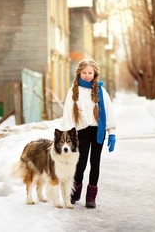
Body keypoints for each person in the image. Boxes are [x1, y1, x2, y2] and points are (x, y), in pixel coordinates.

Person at [61, 59, 116, 208]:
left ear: (95, 73)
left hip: (98, 131)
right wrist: (67, 136)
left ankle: (91, 197)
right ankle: (75, 191)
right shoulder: (74, 90)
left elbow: (109, 112)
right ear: (79, 73)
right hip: (81, 132)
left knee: (95, 163)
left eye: (90, 72)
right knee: (81, 163)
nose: (87, 75)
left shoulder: (101, 91)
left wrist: (111, 133)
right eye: (84, 72)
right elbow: (68, 113)